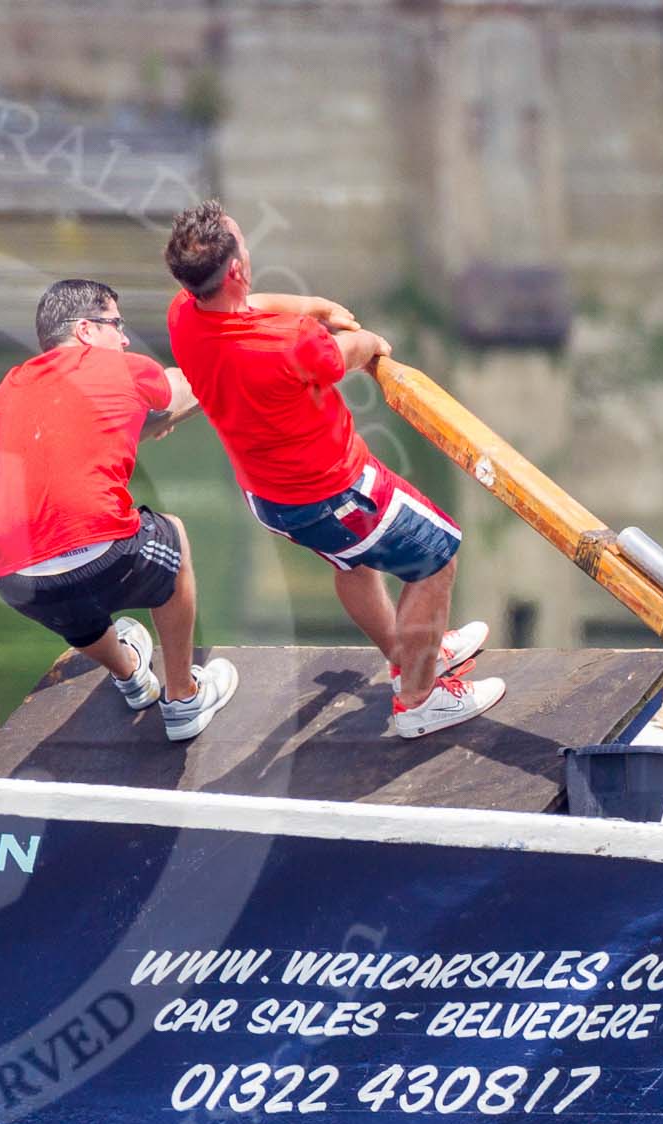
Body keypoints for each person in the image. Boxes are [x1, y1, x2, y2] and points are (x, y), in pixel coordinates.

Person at [163, 199, 502, 739]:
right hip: (339, 492)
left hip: (270, 499)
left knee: (353, 566)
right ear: (237, 270)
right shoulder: (290, 344)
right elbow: (344, 355)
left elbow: (249, 306)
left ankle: (411, 651)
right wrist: (371, 342)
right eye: (242, 243)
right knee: (437, 559)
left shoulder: (184, 314)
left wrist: (312, 304)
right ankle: (419, 698)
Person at [0, 278, 237, 741]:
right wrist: (157, 405)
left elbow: (62, 431)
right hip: (102, 556)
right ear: (85, 330)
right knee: (173, 536)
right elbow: (183, 388)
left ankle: (131, 676)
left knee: (71, 603)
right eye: (114, 325)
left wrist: (132, 415)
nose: (123, 338)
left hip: (15, 581)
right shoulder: (120, 367)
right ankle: (182, 698)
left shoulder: (9, 388)